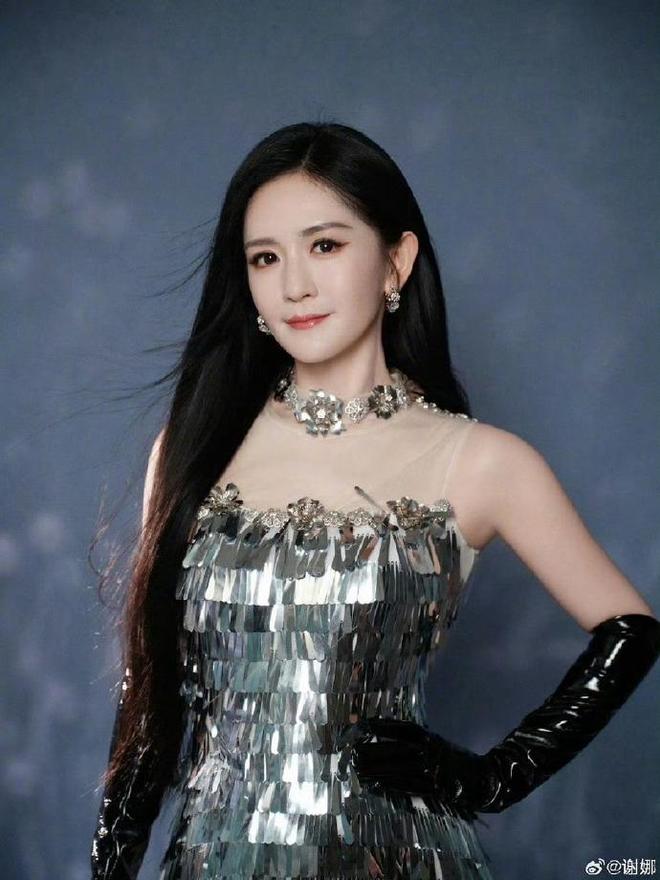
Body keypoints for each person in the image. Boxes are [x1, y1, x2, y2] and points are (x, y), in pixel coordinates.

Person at [90, 121, 660, 880]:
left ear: (398, 260)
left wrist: (489, 779)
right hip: (214, 859)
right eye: (265, 257)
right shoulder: (192, 446)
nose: (294, 285)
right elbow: (151, 685)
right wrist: (113, 858)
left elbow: (630, 629)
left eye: (325, 245)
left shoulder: (483, 463)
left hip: (396, 855)